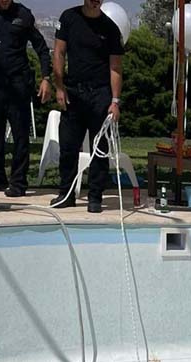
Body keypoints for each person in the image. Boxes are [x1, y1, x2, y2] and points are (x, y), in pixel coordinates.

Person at [0, 0, 51, 196]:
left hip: (17, 84)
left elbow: (41, 48)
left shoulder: (23, 15)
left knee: (20, 135)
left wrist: (46, 78)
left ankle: (19, 182)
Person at [50, 0, 123, 213]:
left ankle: (95, 197)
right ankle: (66, 194)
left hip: (100, 94)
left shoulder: (110, 28)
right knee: (68, 146)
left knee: (99, 149)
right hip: (73, 91)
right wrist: (59, 87)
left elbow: (116, 67)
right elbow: (58, 53)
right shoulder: (69, 18)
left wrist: (115, 101)